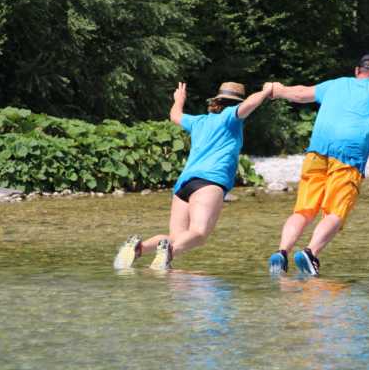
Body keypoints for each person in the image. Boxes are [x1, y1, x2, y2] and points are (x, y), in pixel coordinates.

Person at [268, 53, 369, 276]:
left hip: (316, 152)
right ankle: (311, 253)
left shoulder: (336, 84)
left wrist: (277, 90)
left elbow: (300, 93)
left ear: (357, 71)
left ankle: (281, 252)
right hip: (348, 157)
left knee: (304, 210)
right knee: (335, 212)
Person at [114, 81, 272, 270]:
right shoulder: (231, 117)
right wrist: (265, 91)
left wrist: (179, 99)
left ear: (217, 101)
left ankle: (138, 249)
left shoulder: (198, 121)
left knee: (176, 237)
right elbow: (250, 104)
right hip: (210, 182)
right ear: (235, 103)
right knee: (199, 233)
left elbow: (175, 116)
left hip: (184, 185)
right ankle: (168, 253)